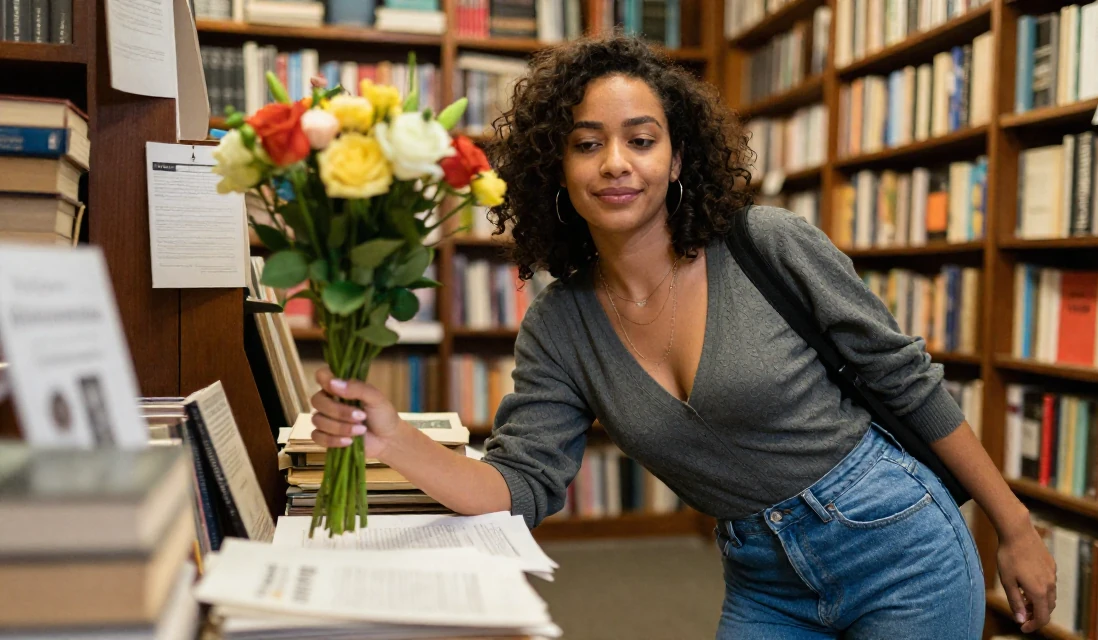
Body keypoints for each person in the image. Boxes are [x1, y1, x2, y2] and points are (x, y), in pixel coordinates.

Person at [307, 34, 1057, 638]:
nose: (616, 164)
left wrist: (1014, 526)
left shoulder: (768, 243)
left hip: (897, 544)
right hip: (764, 579)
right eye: (587, 145)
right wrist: (394, 439)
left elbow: (907, 382)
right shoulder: (559, 324)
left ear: (677, 160)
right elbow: (521, 485)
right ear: (556, 170)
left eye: (641, 139)